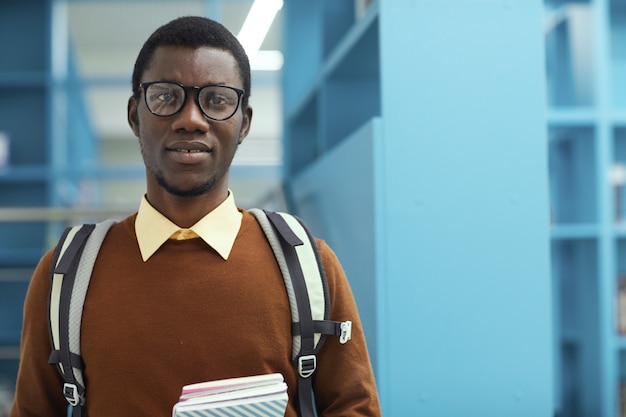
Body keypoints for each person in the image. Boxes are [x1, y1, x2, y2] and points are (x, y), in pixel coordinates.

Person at [9, 16, 381, 417]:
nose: (191, 119)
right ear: (135, 115)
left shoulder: (309, 266)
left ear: (244, 124)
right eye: (167, 97)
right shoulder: (65, 274)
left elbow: (354, 407)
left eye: (217, 100)